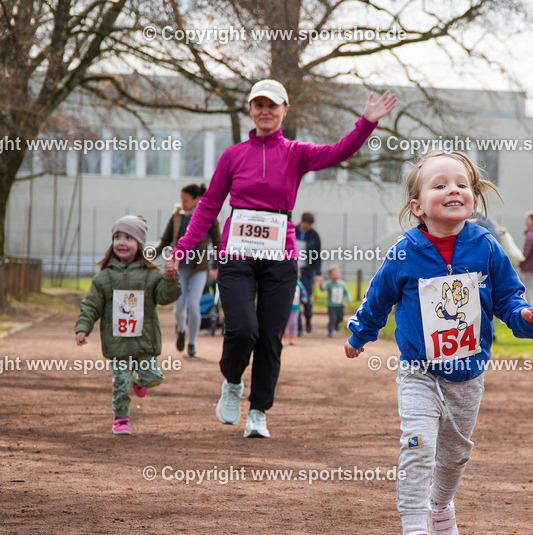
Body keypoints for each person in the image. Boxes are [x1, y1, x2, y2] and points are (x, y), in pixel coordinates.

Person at [345, 150, 533, 535]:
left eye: (461, 184)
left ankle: (440, 507)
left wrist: (526, 317)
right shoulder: (405, 253)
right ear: (418, 206)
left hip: (467, 375)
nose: (453, 190)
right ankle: (414, 533)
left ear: (473, 197)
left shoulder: (486, 246)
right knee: (418, 443)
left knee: (454, 454)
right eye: (440, 185)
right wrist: (360, 335)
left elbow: (509, 299)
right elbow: (378, 298)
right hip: (418, 371)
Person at [170, 79, 396, 438]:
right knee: (242, 330)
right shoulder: (232, 156)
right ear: (250, 110)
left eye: (272, 105)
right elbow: (209, 205)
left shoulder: (296, 153)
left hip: (280, 258)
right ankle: (232, 381)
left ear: (284, 110)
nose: (265, 111)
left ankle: (258, 411)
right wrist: (182, 247)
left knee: (270, 337)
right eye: (259, 105)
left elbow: (339, 151)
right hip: (237, 255)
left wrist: (366, 122)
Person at [74, 216, 182, 434]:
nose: (121, 243)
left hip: (144, 341)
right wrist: (83, 326)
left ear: (139, 244)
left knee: (153, 377)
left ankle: (139, 382)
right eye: (117, 237)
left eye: (128, 238)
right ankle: (121, 418)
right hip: (118, 343)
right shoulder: (104, 277)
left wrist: (170, 278)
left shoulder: (151, 274)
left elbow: (164, 297)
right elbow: (92, 304)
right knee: (121, 382)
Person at [158, 183, 220, 358]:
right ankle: (181, 330)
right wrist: (151, 254)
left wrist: (216, 265)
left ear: (197, 199)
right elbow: (165, 240)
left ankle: (192, 343)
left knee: (193, 305)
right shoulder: (177, 216)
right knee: (179, 307)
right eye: (182, 200)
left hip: (200, 267)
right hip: (181, 267)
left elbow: (218, 242)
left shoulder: (208, 216)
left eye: (186, 200)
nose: (183, 203)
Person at [296, 212, 322, 335]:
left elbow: (317, 255)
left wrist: (318, 273)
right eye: (307, 224)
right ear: (302, 221)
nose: (309, 226)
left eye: (311, 224)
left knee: (306, 298)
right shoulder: (293, 231)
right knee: (295, 299)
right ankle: (298, 327)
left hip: (307, 271)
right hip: (293, 269)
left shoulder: (314, 235)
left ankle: (308, 321)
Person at [321, 264, 352, 336]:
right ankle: (330, 331)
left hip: (340, 304)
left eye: (336, 274)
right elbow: (323, 288)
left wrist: (349, 299)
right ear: (330, 275)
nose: (335, 276)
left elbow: (347, 292)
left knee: (340, 317)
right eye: (333, 274)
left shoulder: (342, 284)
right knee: (332, 318)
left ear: (339, 274)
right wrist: (321, 285)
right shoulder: (329, 283)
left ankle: (337, 324)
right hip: (331, 305)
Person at [284, 275, 308, 345]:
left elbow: (304, 292)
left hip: (295, 307)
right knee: (285, 321)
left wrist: (304, 298)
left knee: (294, 322)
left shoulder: (298, 283)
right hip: (285, 307)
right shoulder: (285, 282)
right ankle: (284, 331)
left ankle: (292, 336)